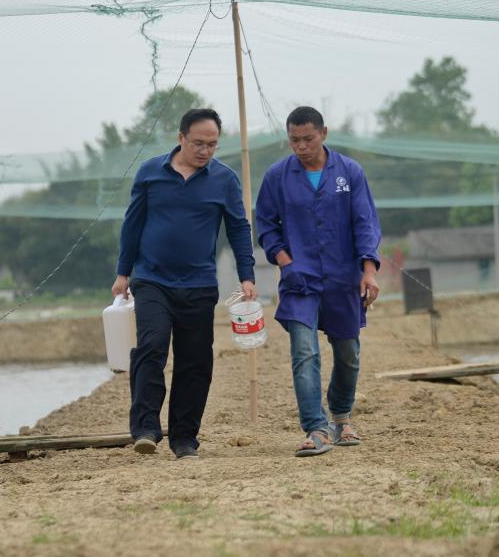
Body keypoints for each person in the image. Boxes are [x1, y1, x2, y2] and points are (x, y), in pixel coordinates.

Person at [112, 108, 257, 460]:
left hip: (199, 283)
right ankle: (146, 428)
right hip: (152, 279)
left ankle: (184, 438)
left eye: (212, 144)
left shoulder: (224, 180)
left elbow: (238, 228)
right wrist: (123, 272)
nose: (205, 150)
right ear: (180, 139)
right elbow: (133, 224)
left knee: (195, 360)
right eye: (198, 143)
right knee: (152, 345)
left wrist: (247, 275)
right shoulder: (150, 173)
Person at [255, 106, 381, 457]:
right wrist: (285, 261)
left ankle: (341, 417)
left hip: (344, 279)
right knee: (304, 351)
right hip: (300, 279)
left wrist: (369, 271)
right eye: (294, 140)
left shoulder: (350, 172)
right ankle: (316, 428)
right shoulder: (277, 176)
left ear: (323, 133)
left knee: (348, 354)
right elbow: (265, 226)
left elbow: (365, 224)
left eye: (308, 139)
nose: (301, 146)